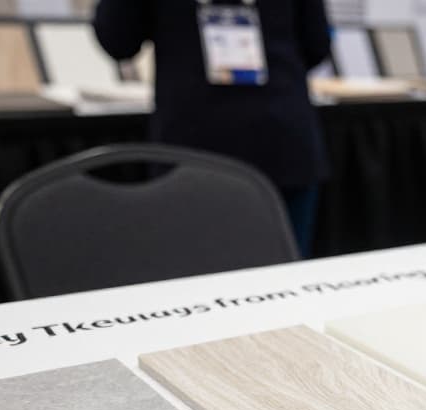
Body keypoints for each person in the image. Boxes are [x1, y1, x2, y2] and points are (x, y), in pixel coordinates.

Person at [94, 0, 330, 255]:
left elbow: (118, 38)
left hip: (197, 142)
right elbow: (315, 44)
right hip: (277, 132)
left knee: (194, 275)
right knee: (285, 277)